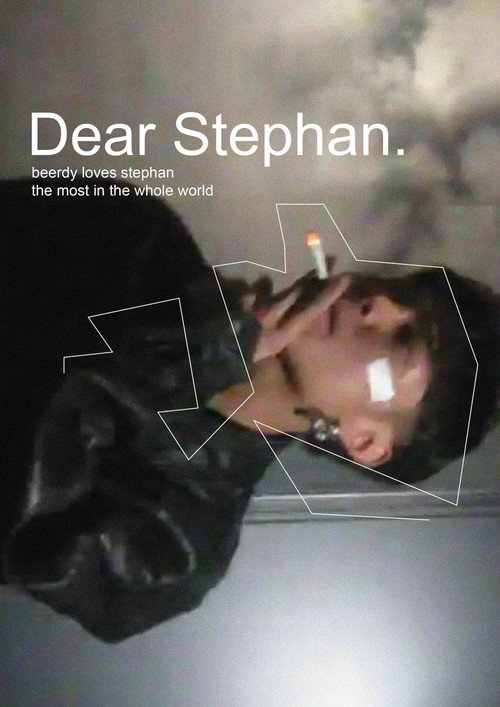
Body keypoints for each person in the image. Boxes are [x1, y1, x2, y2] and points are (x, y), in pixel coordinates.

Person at [1, 179, 497, 642]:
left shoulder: (178, 546)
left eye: (403, 342)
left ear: (364, 440)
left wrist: (200, 360)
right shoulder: (137, 235)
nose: (378, 302)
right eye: (402, 292)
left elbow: (20, 523)